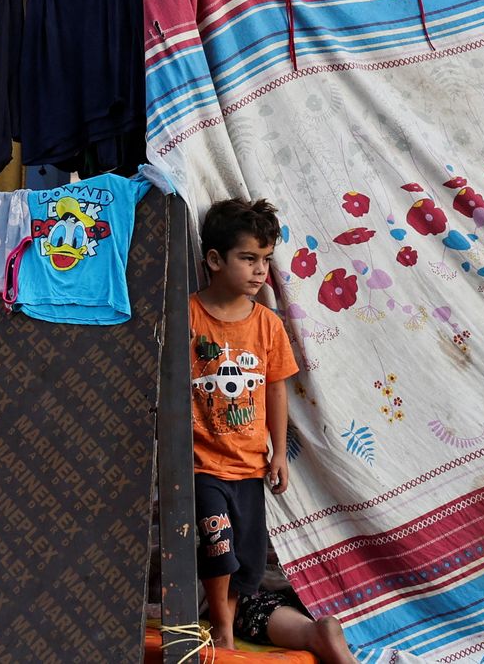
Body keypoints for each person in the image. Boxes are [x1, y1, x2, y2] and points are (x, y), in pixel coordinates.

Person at [190, 198, 300, 650]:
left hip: (250, 465)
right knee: (217, 547)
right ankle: (221, 629)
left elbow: (276, 388)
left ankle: (230, 620)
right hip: (200, 462)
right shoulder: (187, 316)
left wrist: (279, 454)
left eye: (266, 260)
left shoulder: (268, 324)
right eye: (248, 258)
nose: (260, 271)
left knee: (248, 560)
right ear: (215, 260)